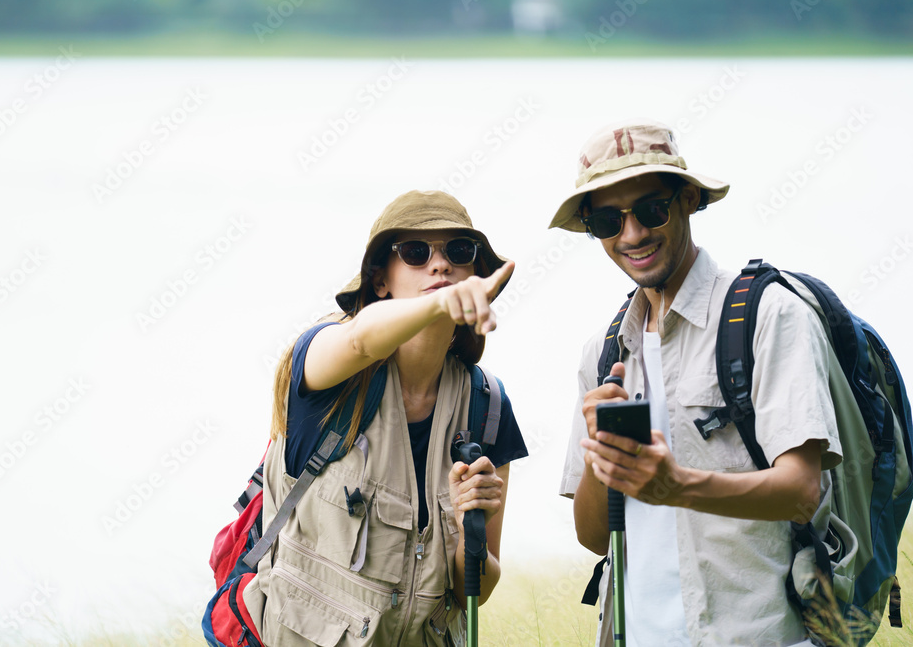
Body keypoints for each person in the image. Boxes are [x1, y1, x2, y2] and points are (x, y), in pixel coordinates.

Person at [550, 121, 842, 646]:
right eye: (607, 221)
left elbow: (801, 490)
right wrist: (599, 456)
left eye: (650, 210)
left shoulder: (769, 315)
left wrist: (677, 486)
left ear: (688, 200)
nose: (631, 235)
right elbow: (594, 537)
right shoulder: (604, 352)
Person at [247, 190, 528, 646]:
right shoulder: (329, 366)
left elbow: (474, 592)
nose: (440, 265)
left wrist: (468, 529)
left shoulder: (487, 404)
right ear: (380, 281)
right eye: (416, 253)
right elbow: (361, 340)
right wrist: (441, 303)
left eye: (458, 252)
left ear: (475, 272)